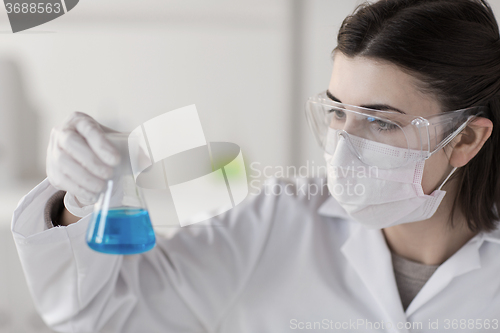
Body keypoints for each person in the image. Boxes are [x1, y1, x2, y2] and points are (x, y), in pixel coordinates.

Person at [11, 0, 500, 332]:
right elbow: (101, 317)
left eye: (382, 124)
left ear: (466, 139)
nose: (343, 148)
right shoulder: (280, 221)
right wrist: (74, 206)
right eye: (337, 112)